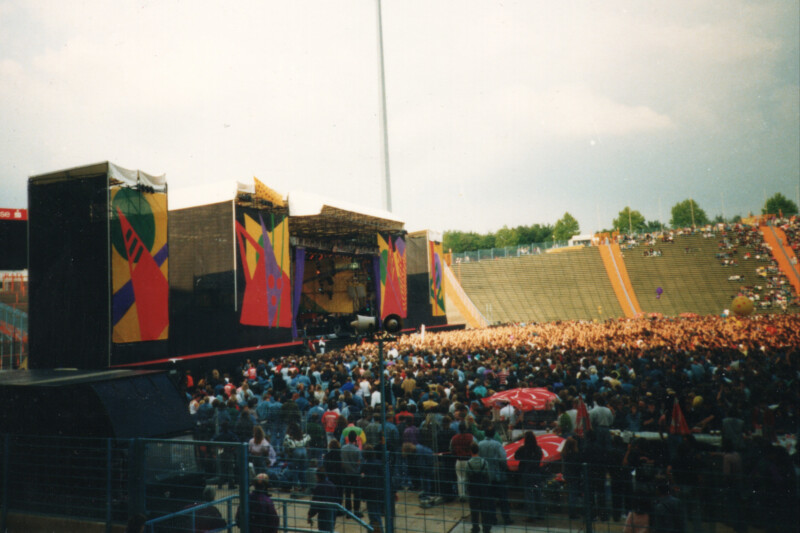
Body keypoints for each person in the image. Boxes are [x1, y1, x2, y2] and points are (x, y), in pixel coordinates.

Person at [477, 427, 513, 525]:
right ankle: (506, 518)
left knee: (489, 499)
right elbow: (503, 458)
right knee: (503, 498)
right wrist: (504, 468)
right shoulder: (497, 445)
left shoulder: (479, 444)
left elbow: (478, 458)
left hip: (485, 475)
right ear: (493, 434)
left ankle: (492, 519)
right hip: (498, 475)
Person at [513, 431, 543, 521]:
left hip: (527, 472)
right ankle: (541, 514)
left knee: (529, 495)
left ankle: (531, 515)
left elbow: (516, 456)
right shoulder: (538, 449)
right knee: (538, 493)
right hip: (536, 472)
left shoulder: (523, 449)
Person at [465, 441, 494, 533]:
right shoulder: (484, 462)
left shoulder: (468, 463)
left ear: (470, 451)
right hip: (483, 487)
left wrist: (467, 489)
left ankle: (475, 527)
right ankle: (486, 528)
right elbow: (488, 475)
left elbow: (467, 477)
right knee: (485, 508)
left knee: (474, 509)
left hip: (473, 488)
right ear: (478, 450)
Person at [308, 469, 339, 533]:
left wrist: (310, 515)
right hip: (332, 512)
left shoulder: (318, 487)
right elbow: (337, 499)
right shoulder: (332, 485)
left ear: (317, 476)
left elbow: (315, 504)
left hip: (323, 514)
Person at [341, 431, 364, 517]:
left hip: (346, 473)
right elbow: (358, 462)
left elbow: (342, 462)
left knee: (347, 493)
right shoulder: (357, 450)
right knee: (356, 493)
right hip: (355, 473)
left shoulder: (343, 448)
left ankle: (348, 511)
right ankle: (357, 511)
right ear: (355, 438)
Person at [450, 421, 475, 501]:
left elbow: (451, 448)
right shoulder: (470, 437)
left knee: (459, 478)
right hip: (468, 459)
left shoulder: (454, 438)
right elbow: (475, 445)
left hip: (459, 460)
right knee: (468, 477)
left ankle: (461, 495)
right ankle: (468, 493)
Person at [283, 421, 311, 493]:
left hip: (296, 451)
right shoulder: (302, 434)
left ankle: (295, 487)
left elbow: (286, 444)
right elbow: (308, 438)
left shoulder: (289, 436)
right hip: (303, 450)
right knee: (302, 470)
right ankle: (304, 487)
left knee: (295, 470)